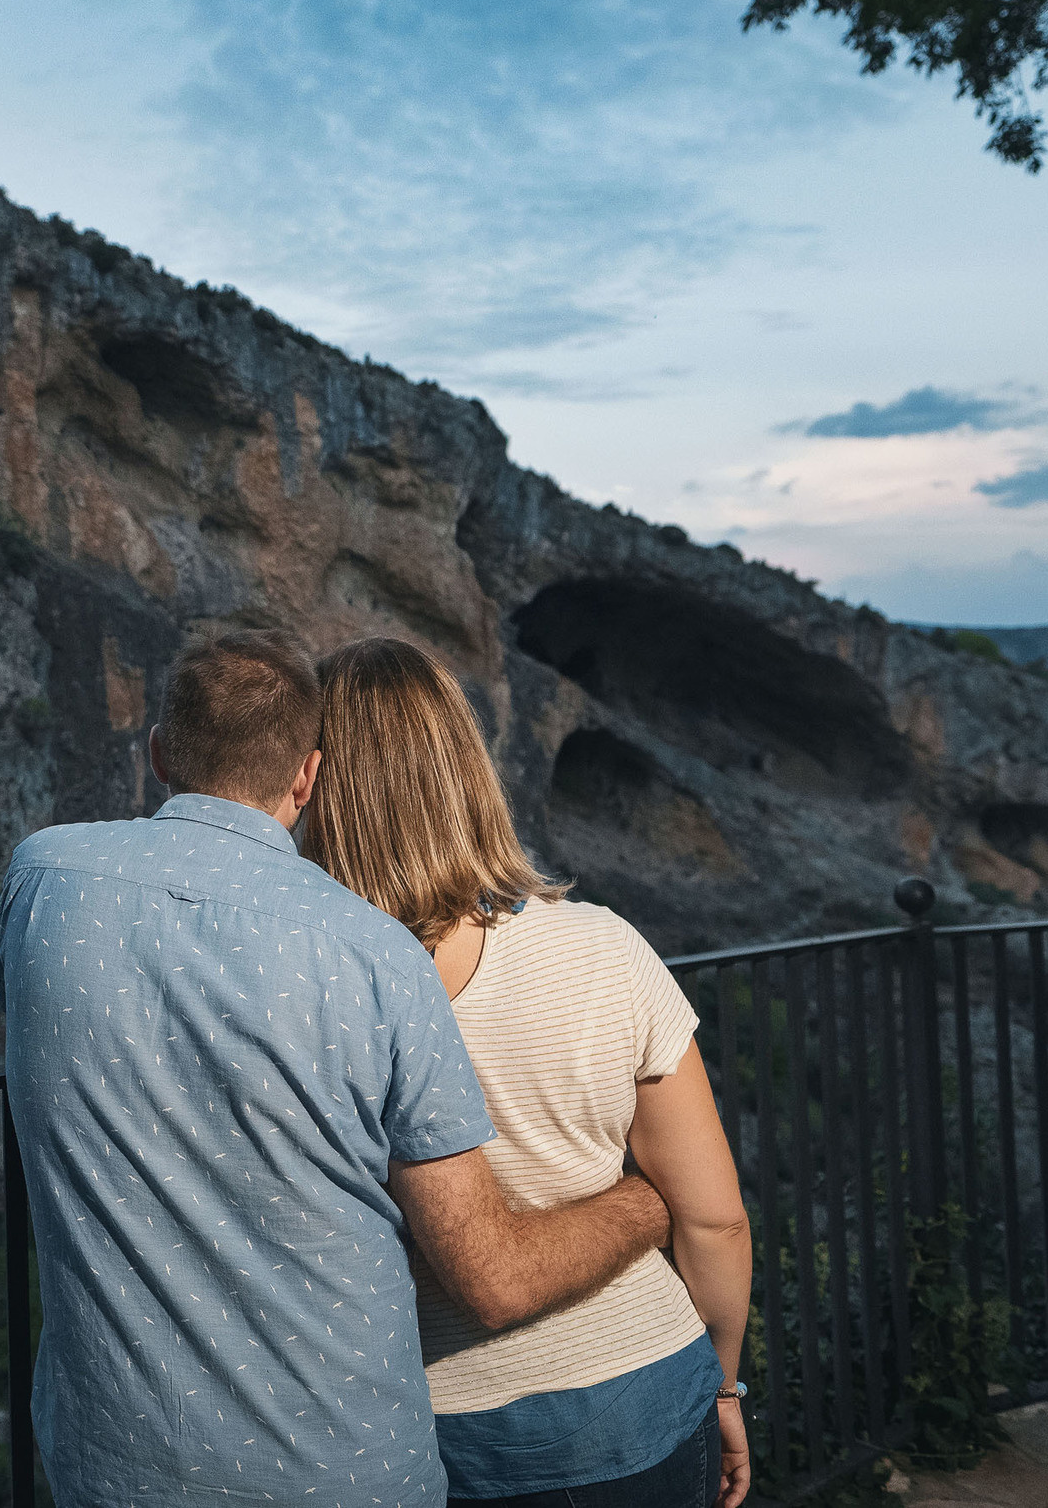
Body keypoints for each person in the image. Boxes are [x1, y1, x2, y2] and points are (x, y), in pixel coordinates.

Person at [0, 630, 674, 1507]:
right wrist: (647, 1199)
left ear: (160, 753)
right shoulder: (375, 955)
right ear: (307, 778)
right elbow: (491, 1274)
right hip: (338, 1473)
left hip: (109, 1465)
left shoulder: (42, 877)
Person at [301, 637, 753, 1508]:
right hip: (654, 1398)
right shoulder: (605, 948)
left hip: (437, 1434)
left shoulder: (312, 988)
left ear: (316, 785)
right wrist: (724, 1384)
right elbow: (717, 1220)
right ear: (466, 768)